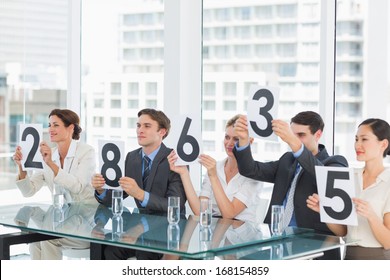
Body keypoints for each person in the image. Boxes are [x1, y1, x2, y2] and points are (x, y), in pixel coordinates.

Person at [233, 111, 348, 260]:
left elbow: (326, 180)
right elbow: (250, 170)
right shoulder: (288, 160)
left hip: (313, 248)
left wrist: (295, 144)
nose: (294, 140)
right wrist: (243, 140)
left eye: (301, 135)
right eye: (292, 135)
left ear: (318, 134)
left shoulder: (335, 162)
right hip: (276, 242)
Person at [91, 108, 186, 259]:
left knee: (144, 252)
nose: (140, 130)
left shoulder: (175, 159)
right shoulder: (131, 157)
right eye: (138, 125)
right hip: (139, 225)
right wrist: (100, 189)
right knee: (108, 249)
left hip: (168, 228)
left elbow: (176, 205)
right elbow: (116, 196)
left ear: (162, 132)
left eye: (147, 126)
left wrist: (140, 194)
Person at [12, 108, 97, 259]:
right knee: (35, 240)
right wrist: (21, 166)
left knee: (46, 238)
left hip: (85, 223)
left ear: (70, 128)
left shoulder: (86, 152)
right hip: (60, 221)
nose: (50, 129)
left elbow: (77, 186)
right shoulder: (49, 155)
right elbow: (28, 191)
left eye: (55, 125)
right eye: (49, 125)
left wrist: (50, 163)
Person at [307, 118, 390, 259]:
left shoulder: (387, 183)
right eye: (356, 139)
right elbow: (343, 231)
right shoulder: (349, 177)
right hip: (349, 255)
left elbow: (388, 242)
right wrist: (326, 211)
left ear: (383, 144)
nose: (358, 145)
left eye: (364, 139)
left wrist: (371, 216)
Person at [167, 114, 263, 223]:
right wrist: (184, 173)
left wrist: (213, 176)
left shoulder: (255, 173)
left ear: (249, 142)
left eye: (236, 139)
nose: (229, 143)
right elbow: (199, 211)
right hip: (217, 231)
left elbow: (229, 214)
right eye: (227, 137)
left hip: (243, 234)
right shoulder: (216, 167)